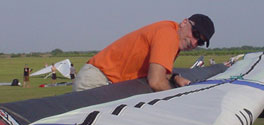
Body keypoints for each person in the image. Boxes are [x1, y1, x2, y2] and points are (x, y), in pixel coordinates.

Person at [73, 14, 215, 92]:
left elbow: (159, 72)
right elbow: (156, 82)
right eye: (195, 34)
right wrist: (179, 96)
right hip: (96, 81)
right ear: (184, 22)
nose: (195, 42)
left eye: (200, 42)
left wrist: (175, 77)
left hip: (109, 83)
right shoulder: (168, 35)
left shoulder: (170, 34)